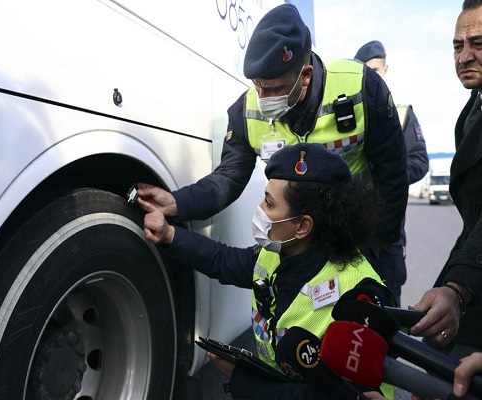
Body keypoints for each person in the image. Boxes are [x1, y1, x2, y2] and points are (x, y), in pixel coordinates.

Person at [136, 4, 409, 282]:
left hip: (365, 236)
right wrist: (176, 202)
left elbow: (393, 176)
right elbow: (227, 180)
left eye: (275, 89)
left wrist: (375, 247)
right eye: (258, 85)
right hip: (301, 241)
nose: (263, 97)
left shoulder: (362, 88)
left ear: (305, 76)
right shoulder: (245, 111)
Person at [140, 142, 395, 400]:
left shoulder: (361, 297)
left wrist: (243, 378)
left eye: (269, 203)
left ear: (302, 226)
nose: (260, 209)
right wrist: (169, 234)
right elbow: (223, 261)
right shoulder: (279, 254)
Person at [409, 0, 482, 359]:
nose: (464, 56)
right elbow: (472, 223)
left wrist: (456, 288)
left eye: (478, 44)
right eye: (458, 45)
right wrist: (442, 289)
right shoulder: (470, 111)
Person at [353, 40, 430, 306]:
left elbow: (420, 161)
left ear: (385, 69)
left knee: (388, 306)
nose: (371, 75)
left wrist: (389, 176)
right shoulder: (346, 110)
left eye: (376, 69)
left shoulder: (402, 110)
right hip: (349, 229)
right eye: (366, 70)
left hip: (388, 227)